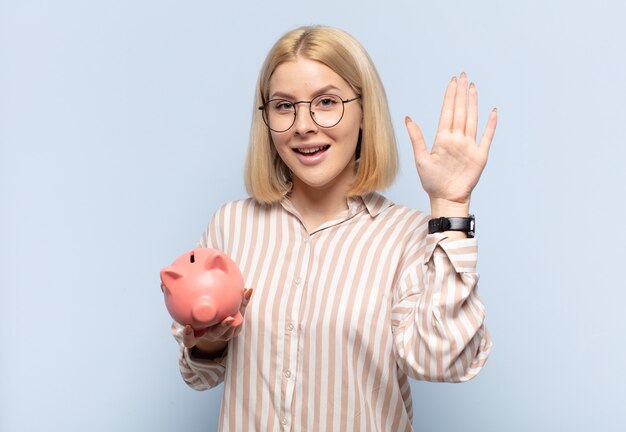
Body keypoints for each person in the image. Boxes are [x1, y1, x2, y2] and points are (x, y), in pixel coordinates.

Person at [171, 25, 497, 431]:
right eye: (284, 106)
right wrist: (210, 341)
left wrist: (451, 206)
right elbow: (199, 375)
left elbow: (444, 362)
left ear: (364, 113)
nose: (303, 125)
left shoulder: (408, 237)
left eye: (326, 102)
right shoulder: (231, 225)